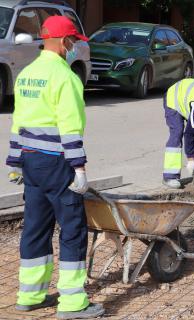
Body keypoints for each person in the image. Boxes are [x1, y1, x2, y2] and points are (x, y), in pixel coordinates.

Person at [6, 16, 104, 319]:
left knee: (35, 227)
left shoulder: (27, 74)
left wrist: (15, 162)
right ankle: (73, 303)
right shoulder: (65, 77)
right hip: (58, 163)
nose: (74, 47)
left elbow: (18, 120)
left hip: (31, 161)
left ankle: (30, 294)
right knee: (73, 229)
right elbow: (70, 127)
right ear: (65, 42)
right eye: (74, 41)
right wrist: (80, 168)